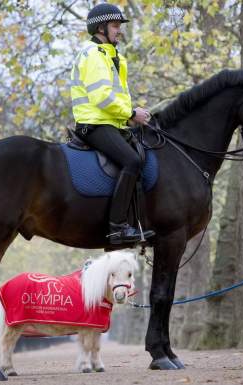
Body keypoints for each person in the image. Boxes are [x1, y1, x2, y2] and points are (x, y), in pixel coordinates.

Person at [70, 3, 154, 245]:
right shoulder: (93, 55)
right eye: (116, 26)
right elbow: (102, 97)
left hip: (111, 123)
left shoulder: (111, 56)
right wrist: (131, 112)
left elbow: (114, 96)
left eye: (119, 26)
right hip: (94, 124)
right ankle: (117, 228)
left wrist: (131, 115)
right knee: (132, 161)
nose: (120, 31)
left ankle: (137, 221)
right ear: (101, 28)